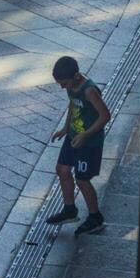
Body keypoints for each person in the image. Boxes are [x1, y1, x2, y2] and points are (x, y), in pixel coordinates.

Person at [45, 55, 110, 236]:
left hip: (89, 142)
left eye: (64, 83)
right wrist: (65, 128)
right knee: (62, 169)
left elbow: (105, 116)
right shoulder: (72, 86)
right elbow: (73, 106)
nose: (62, 87)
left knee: (82, 179)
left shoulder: (89, 90)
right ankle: (69, 210)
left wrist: (85, 135)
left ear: (75, 76)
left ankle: (95, 217)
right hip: (74, 136)